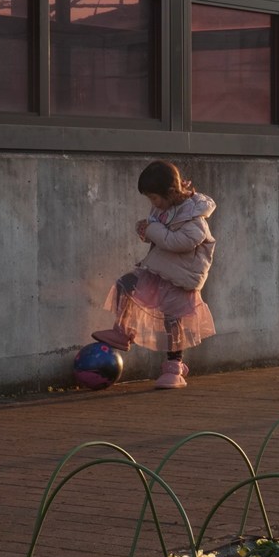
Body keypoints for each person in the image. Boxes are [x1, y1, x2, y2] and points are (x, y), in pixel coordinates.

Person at [93, 160, 217, 389]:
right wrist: (146, 231)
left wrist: (153, 229)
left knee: (173, 321)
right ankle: (122, 332)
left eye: (154, 198)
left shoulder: (195, 218)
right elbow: (159, 235)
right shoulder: (164, 208)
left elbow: (179, 242)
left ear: (171, 192)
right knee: (126, 284)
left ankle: (174, 368)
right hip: (159, 269)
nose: (153, 204)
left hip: (180, 279)